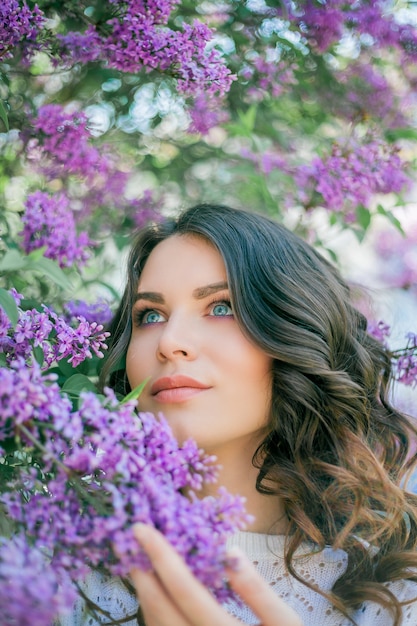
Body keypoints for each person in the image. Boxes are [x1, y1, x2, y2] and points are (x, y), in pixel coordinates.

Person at [62, 203, 417, 626]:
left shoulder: (394, 590)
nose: (170, 341)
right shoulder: (59, 560)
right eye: (150, 316)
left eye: (221, 307)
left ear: (295, 331)